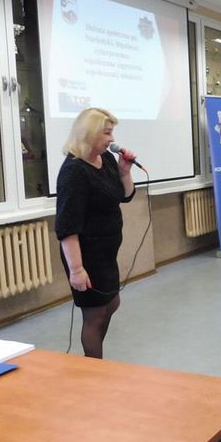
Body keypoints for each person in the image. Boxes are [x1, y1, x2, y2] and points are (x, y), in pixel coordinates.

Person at [55, 108, 136, 359]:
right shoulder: (74, 171)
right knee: (94, 315)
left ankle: (95, 365)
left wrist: (125, 172)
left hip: (105, 255)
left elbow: (125, 196)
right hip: (85, 256)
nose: (112, 139)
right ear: (89, 133)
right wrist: (77, 270)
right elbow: (67, 226)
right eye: (107, 133)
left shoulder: (106, 159)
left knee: (111, 303)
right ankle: (94, 368)